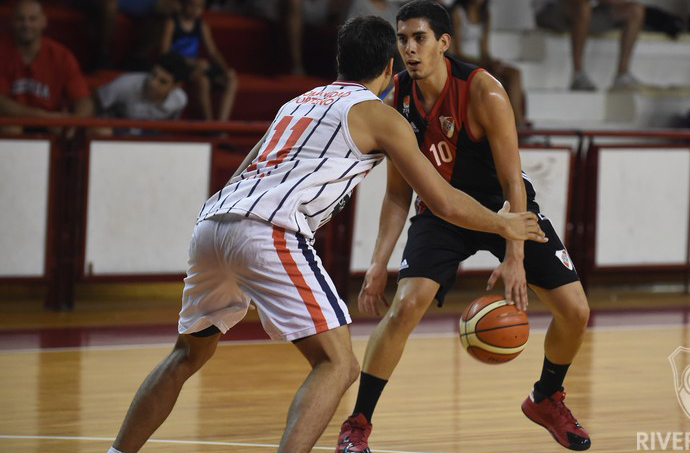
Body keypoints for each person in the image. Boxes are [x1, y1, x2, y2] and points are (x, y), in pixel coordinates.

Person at [102, 15, 545, 453]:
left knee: (186, 355)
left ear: (340, 61)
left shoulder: (296, 103)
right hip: (269, 229)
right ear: (390, 69)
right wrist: (502, 223)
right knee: (338, 364)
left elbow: (246, 168)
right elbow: (443, 201)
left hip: (214, 222)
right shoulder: (383, 116)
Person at [336, 2, 591, 452]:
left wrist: (514, 254)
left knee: (575, 311)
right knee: (405, 306)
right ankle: (358, 423)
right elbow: (398, 193)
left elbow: (514, 181)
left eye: (419, 38)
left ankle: (546, 396)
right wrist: (377, 264)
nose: (409, 49)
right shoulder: (396, 99)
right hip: (441, 212)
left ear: (444, 43)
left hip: (503, 206)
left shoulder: (483, 91)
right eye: (402, 39)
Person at [0, 0, 93, 135]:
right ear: (12, 22)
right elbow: (1, 103)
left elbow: (84, 100)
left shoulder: (61, 55)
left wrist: (74, 122)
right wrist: (42, 117)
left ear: (43, 21)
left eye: (32, 19)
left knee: (100, 130)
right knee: (11, 127)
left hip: (51, 124)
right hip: (15, 121)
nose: (26, 24)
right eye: (21, 19)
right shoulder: (2, 50)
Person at [534, 0, 644, 91]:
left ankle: (622, 76)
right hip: (551, 10)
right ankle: (578, 75)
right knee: (582, 7)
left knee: (635, 10)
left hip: (589, 10)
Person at [450, 0, 527, 128]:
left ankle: (518, 122)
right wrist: (482, 63)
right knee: (495, 79)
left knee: (515, 73)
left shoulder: (485, 14)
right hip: (463, 62)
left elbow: (484, 50)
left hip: (481, 62)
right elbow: (456, 52)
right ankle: (507, 125)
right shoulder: (457, 13)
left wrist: (491, 62)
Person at [160, 0, 238, 121]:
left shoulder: (201, 25)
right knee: (203, 81)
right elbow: (165, 53)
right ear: (183, 4)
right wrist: (192, 62)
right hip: (178, 65)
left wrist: (225, 69)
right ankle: (209, 123)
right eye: (192, 5)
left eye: (199, 6)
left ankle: (222, 124)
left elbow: (213, 52)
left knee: (231, 80)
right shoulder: (172, 22)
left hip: (196, 66)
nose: (195, 9)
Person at [93, 52, 190, 135]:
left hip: (150, 137)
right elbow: (92, 102)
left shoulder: (179, 100)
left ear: (175, 86)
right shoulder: (124, 84)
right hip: (116, 132)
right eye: (153, 74)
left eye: (163, 82)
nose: (153, 83)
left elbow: (168, 127)